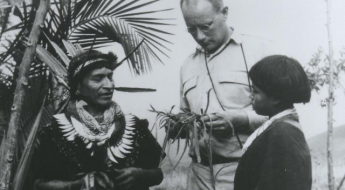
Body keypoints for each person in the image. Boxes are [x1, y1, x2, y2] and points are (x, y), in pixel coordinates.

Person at [167, 0, 270, 189]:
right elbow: (185, 116)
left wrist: (240, 120)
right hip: (198, 174)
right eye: (191, 29)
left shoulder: (258, 51)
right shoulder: (188, 65)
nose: (200, 36)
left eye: (206, 26)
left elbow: (283, 117)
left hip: (244, 169)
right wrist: (177, 126)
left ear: (224, 13)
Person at [31, 50, 164, 190]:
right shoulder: (54, 133)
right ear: (78, 86)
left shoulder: (135, 126)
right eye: (98, 78)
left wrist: (139, 175)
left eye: (110, 77)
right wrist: (77, 185)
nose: (109, 85)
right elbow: (38, 184)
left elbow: (158, 173)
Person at [234, 55, 312, 190]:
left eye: (256, 91)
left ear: (276, 98)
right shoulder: (282, 127)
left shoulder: (282, 133)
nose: (250, 96)